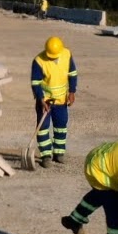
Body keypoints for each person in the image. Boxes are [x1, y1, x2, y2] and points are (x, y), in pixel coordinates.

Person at [30, 35, 77, 167]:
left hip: (61, 101)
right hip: (45, 102)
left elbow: (72, 74)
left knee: (61, 127)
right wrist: (40, 99)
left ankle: (59, 153)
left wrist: (72, 92)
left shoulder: (67, 55)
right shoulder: (39, 61)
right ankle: (45, 155)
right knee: (43, 128)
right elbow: (35, 82)